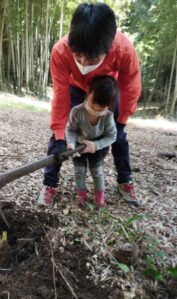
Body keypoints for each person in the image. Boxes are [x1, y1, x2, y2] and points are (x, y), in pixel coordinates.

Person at [39, 2, 142, 207]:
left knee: (119, 137)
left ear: (109, 47)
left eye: (93, 58)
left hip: (105, 91)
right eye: (78, 56)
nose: (84, 63)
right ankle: (49, 184)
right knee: (59, 137)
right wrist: (61, 133)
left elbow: (130, 85)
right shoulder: (60, 51)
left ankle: (125, 181)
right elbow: (60, 94)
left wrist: (121, 119)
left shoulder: (123, 49)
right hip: (76, 89)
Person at [66, 75, 117, 207]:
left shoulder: (108, 116)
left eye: (102, 106)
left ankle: (100, 197)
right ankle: (81, 196)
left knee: (97, 172)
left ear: (109, 105)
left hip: (97, 147)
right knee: (79, 171)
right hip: (79, 146)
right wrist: (71, 144)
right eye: (94, 102)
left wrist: (95, 145)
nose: (96, 107)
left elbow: (112, 136)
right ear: (88, 93)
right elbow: (71, 130)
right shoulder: (77, 111)